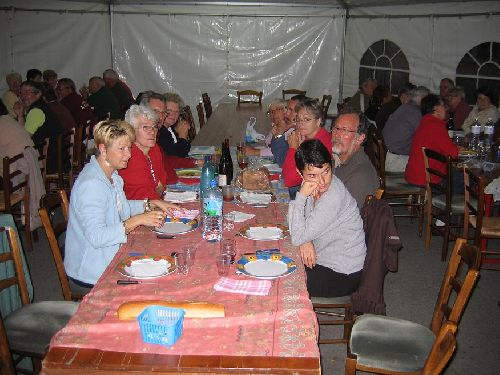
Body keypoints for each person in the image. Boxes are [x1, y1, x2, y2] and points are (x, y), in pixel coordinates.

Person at [64, 120, 180, 289]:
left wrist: (151, 203)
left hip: (112, 255)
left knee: (167, 258)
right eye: (121, 149)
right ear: (103, 149)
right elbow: (97, 237)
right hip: (93, 273)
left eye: (129, 148)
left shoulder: (112, 175)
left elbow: (120, 208)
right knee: (158, 283)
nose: (128, 155)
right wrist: (138, 220)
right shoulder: (91, 185)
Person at [288, 139, 366, 297]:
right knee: (277, 257)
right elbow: (292, 220)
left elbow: (296, 236)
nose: (322, 181)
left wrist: (301, 196)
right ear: (299, 173)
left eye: (326, 171)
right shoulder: (313, 186)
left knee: (284, 278)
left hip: (342, 274)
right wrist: (306, 239)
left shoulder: (333, 195)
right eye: (313, 175)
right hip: (322, 258)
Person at [405, 94, 459, 188]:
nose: (445, 109)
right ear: (436, 109)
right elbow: (454, 153)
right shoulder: (436, 126)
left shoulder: (425, 123)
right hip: (427, 179)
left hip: (413, 175)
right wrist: (458, 148)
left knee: (457, 175)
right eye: (443, 106)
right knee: (468, 180)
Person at [282, 98, 332, 199]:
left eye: (307, 119)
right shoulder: (308, 138)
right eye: (298, 119)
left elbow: (289, 180)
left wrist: (293, 149)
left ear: (318, 121)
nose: (300, 123)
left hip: (312, 195)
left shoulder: (320, 143)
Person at [119, 105, 167, 199]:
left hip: (153, 202)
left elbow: (163, 179)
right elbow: (142, 195)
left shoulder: (154, 149)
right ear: (131, 130)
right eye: (145, 127)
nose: (152, 132)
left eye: (154, 127)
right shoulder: (129, 156)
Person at [332, 112, 379, 208]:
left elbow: (345, 216)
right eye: (336, 128)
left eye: (345, 130)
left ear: (360, 138)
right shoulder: (337, 160)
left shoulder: (360, 174)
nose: (337, 135)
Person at [17, 80, 64, 173]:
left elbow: (24, 139)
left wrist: (19, 116)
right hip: (56, 156)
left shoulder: (36, 111)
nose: (23, 96)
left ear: (38, 94)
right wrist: (20, 114)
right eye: (21, 93)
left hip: (47, 160)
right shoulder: (42, 106)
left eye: (27, 92)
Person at [382, 86, 430, 172]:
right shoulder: (415, 112)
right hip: (395, 161)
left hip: (386, 156)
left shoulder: (405, 107)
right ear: (423, 100)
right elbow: (424, 138)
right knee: (431, 165)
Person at [270, 94, 305, 167]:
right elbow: (282, 156)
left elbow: (284, 161)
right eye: (287, 109)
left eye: (291, 110)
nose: (286, 114)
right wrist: (279, 133)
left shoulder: (305, 135)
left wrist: (279, 134)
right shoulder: (295, 130)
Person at [157, 92, 192, 158]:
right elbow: (176, 157)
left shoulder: (172, 128)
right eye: (169, 111)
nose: (173, 115)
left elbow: (186, 150)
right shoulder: (159, 132)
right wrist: (182, 137)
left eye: (176, 112)